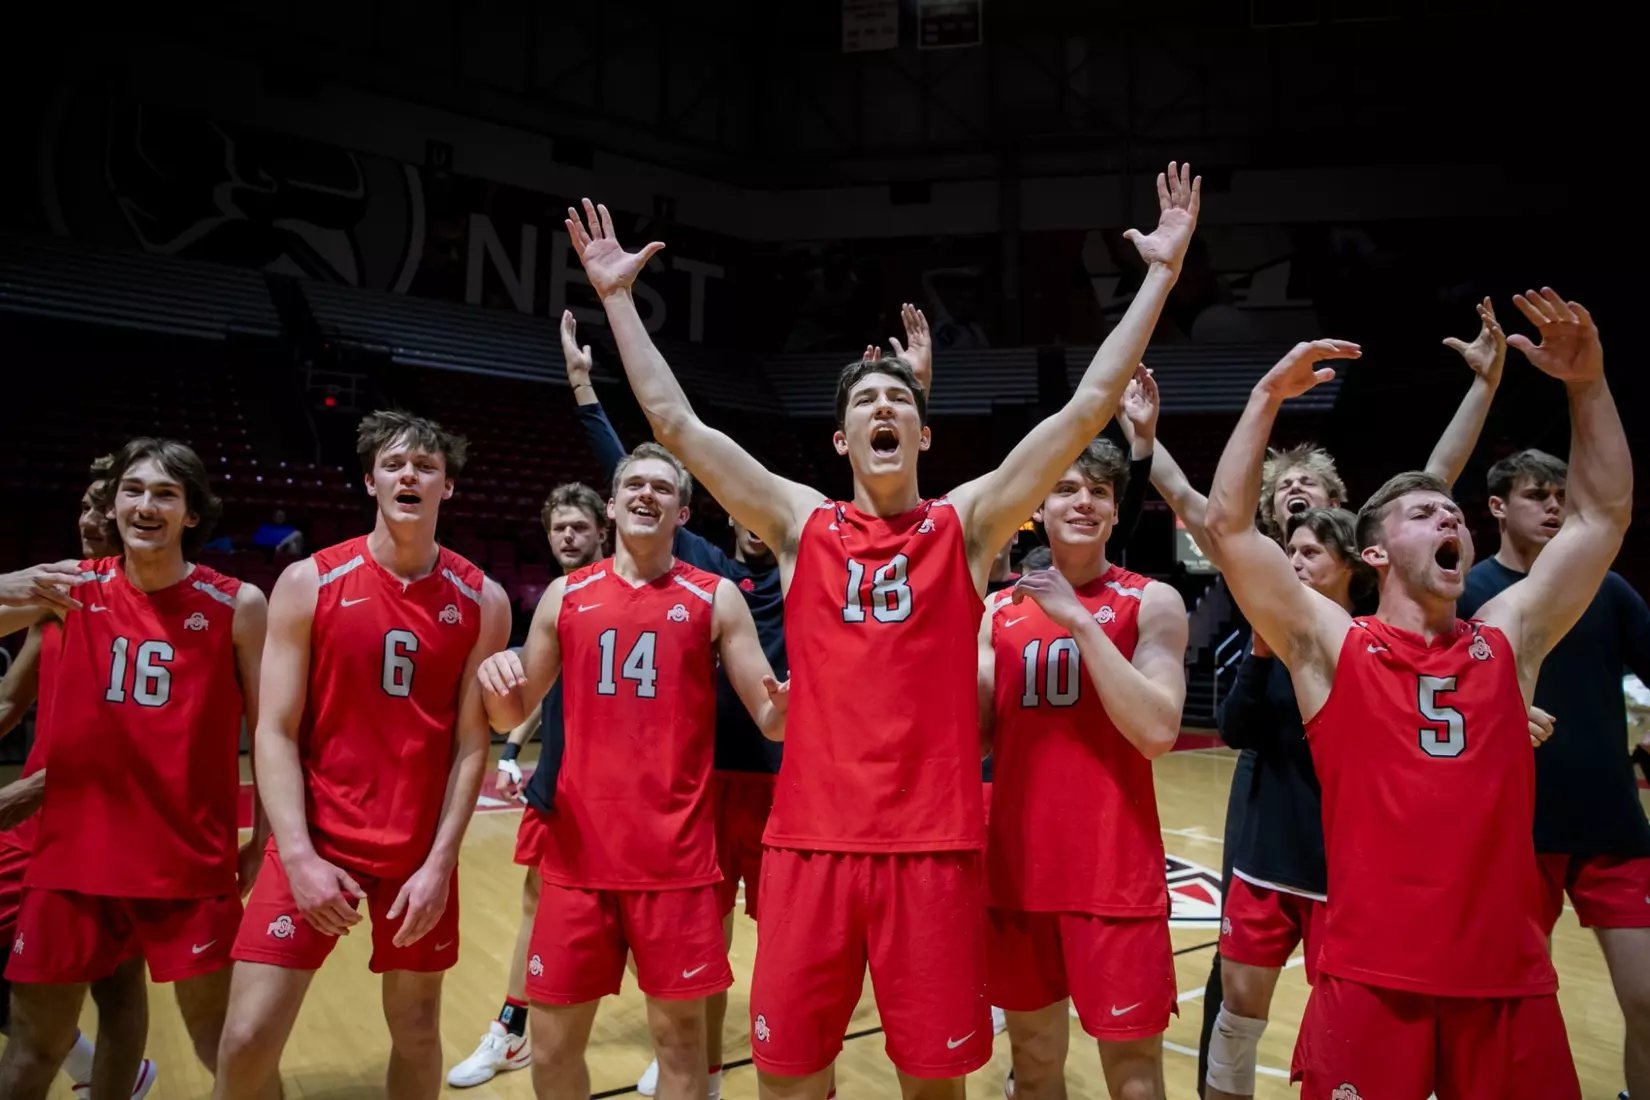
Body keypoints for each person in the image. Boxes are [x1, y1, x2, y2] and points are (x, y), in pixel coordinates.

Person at [564, 159, 1198, 1099]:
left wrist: (1158, 278)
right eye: (864, 400)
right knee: (790, 1078)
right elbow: (673, 419)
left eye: (901, 397)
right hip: (811, 847)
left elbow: (1083, 412)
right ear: (840, 440)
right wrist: (617, 300)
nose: (884, 406)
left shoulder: (967, 527)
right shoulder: (798, 523)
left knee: (930, 1084)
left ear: (925, 435)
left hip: (935, 855)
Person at [1199, 287, 1629, 1098]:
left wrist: (1589, 385)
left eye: (1455, 514)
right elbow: (1228, 531)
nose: (1451, 521)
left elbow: (1603, 515)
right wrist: (1263, 397)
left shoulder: (1509, 634)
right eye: (1427, 511)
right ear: (1375, 554)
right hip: (1369, 979)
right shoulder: (1333, 644)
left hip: (1507, 979)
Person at [1114, 300, 1509, 1097]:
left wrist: (1482, 388)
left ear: (1348, 520)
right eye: (1282, 486)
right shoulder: (1268, 587)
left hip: (1358, 828)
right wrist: (1144, 444)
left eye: (1308, 485)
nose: (1294, 491)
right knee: (1238, 990)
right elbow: (1198, 505)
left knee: (1366, 1004)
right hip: (1271, 806)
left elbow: (1437, 480)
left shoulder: (1378, 597)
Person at [557, 308, 837, 1099]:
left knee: (789, 943)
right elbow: (636, 473)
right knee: (702, 942)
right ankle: (699, 1065)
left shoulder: (812, 565)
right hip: (713, 788)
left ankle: (787, 1063)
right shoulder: (709, 567)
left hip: (791, 789)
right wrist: (584, 388)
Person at [475, 442, 789, 1100]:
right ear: (613, 505)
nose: (647, 493)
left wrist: (794, 703)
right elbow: (511, 712)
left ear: (682, 512)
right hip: (577, 861)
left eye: (662, 488)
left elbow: (770, 716)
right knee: (555, 1048)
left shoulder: (716, 597)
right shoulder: (566, 596)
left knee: (680, 1048)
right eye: (634, 484)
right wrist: (496, 675)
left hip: (676, 866)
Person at [213, 410, 511, 1100]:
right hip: (314, 840)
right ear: (370, 480)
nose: (410, 475)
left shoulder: (482, 600)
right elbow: (275, 730)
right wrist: (299, 857)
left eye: (426, 467)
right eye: (396, 464)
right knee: (246, 1038)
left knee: (415, 1031)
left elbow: (472, 744)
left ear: (448, 488)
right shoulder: (309, 582)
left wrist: (440, 865)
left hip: (415, 855)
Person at [0, 438, 269, 1100]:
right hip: (71, 861)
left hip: (186, 862)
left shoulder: (237, 605)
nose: (145, 506)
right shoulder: (68, 587)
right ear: (114, 501)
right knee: (35, 1050)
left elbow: (269, 734)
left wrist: (265, 840)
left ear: (191, 515)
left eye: (165, 494)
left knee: (226, 1050)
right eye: (134, 490)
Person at [979, 438, 1188, 1100]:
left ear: (1115, 512)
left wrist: (1077, 619)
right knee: (1035, 1063)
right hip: (1019, 875)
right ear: (1038, 507)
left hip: (1114, 875)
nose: (1084, 501)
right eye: (1068, 488)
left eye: (1100, 491)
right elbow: (977, 738)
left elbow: (1157, 730)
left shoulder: (1150, 601)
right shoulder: (997, 612)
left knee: (1132, 1076)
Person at [1460, 447, 1650, 1099]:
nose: (1552, 507)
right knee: (1508, 1007)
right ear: (1497, 507)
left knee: (1648, 998)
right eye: (1537, 494)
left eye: (1560, 497)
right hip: (1515, 834)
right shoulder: (1469, 595)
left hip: (1612, 825)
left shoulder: (1611, 589)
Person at [0, 466, 159, 1098]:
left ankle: (109, 1078)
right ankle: (79, 1061)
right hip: (36, 824)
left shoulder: (163, 604)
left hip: (114, 825)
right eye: (88, 506)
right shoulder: (57, 599)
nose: (92, 519)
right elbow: (9, 705)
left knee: (119, 980)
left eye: (104, 506)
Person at [447, 479, 609, 1089]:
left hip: (631, 795)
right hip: (560, 786)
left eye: (579, 526)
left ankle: (679, 1047)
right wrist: (512, 749)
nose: (568, 536)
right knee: (536, 903)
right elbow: (540, 692)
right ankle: (512, 1029)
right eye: (558, 528)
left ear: (603, 530)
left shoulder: (622, 594)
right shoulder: (555, 602)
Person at [1206, 508, 1370, 1100]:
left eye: (1309, 553)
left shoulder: (1372, 640)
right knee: (1237, 1015)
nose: (1294, 564)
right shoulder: (1274, 639)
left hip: (1342, 873)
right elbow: (1234, 728)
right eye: (1290, 553)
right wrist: (1258, 653)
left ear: (1348, 564)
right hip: (1265, 860)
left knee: (1341, 1032)